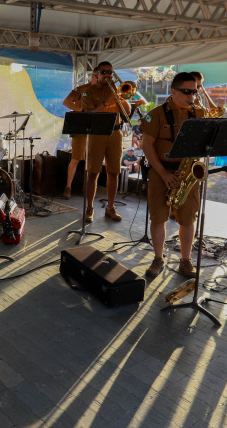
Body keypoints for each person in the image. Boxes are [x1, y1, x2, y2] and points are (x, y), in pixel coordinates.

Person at [139, 72, 205, 277]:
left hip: (187, 173)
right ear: (173, 91)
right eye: (187, 92)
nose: (191, 96)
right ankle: (158, 258)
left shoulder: (199, 112)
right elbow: (146, 146)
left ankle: (186, 261)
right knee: (158, 217)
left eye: (194, 92)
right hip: (161, 171)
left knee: (188, 220)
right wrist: (163, 174)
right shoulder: (156, 113)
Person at [80, 61, 129, 223]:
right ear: (97, 74)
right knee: (93, 173)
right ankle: (89, 208)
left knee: (114, 172)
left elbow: (127, 113)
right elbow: (89, 114)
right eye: (104, 72)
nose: (107, 75)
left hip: (115, 133)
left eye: (110, 72)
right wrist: (107, 102)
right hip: (96, 134)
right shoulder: (89, 92)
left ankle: (111, 207)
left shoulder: (116, 89)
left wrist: (123, 98)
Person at [61, 69, 98, 199]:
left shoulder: (104, 91)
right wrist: (82, 110)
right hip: (80, 127)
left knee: (91, 160)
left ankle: (87, 186)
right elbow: (66, 102)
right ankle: (68, 187)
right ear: (93, 76)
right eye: (99, 76)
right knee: (76, 159)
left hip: (96, 128)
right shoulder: (81, 89)